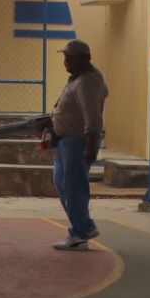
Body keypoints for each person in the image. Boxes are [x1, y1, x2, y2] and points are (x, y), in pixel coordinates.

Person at [42, 39, 107, 251]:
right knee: (62, 183)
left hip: (77, 142)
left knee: (74, 187)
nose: (66, 62)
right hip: (65, 140)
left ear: (84, 59)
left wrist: (90, 146)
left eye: (70, 58)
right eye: (65, 58)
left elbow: (93, 117)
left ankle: (79, 235)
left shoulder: (88, 82)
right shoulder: (77, 79)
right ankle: (85, 225)